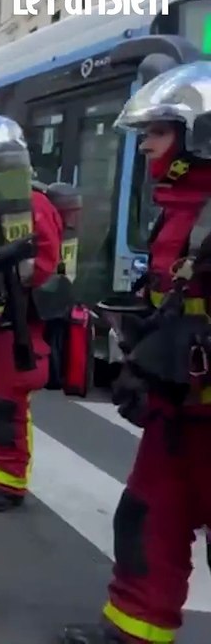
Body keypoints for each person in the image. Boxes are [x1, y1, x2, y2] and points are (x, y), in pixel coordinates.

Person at [59, 60, 211, 644]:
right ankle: (135, 628)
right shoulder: (179, 208)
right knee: (148, 513)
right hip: (179, 406)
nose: (144, 145)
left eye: (158, 132)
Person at [0, 115, 65, 513]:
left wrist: (0, 282)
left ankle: (10, 480)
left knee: (7, 398)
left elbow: (43, 264)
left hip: (15, 318)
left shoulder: (32, 204)